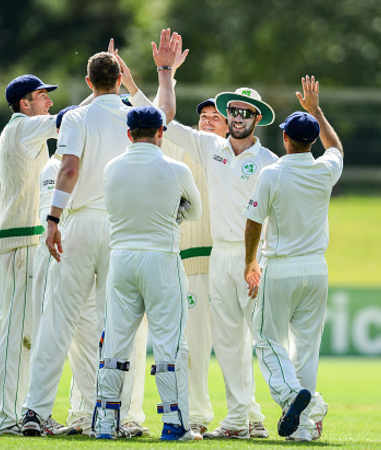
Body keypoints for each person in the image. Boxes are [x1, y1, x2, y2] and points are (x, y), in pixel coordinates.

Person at [20, 29, 181, 437]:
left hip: (79, 222)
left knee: (58, 320)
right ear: (120, 78)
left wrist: (53, 219)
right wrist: (162, 72)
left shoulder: (76, 115)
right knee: (119, 326)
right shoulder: (132, 114)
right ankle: (116, 416)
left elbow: (69, 169)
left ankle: (35, 412)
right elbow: (165, 112)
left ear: (89, 82)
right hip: (121, 229)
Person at [147, 84, 277, 439]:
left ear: (256, 118)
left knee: (266, 339)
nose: (238, 117)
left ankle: (305, 409)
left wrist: (264, 259)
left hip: (254, 258)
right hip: (220, 254)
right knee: (229, 342)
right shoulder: (211, 148)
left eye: (245, 112)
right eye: (233, 111)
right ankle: (238, 420)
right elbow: (163, 120)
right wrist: (160, 76)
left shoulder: (268, 162)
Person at [96, 104, 202, 441]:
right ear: (160, 132)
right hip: (162, 259)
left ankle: (104, 424)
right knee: (170, 343)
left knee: (115, 343)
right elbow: (195, 211)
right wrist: (175, 214)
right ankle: (175, 423)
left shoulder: (112, 168)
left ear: (129, 134)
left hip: (122, 259)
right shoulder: (175, 168)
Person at [243, 75, 341, 442]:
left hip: (280, 266)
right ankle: (303, 429)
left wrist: (249, 262)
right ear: (312, 140)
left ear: (286, 139)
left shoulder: (272, 173)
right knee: (307, 349)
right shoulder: (326, 169)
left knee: (266, 339)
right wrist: (316, 109)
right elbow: (338, 149)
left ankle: (292, 397)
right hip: (317, 268)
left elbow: (253, 224)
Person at [0, 74, 64, 436]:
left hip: (14, 237)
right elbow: (69, 119)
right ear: (24, 103)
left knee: (6, 328)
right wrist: (104, 94)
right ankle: (8, 417)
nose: (48, 101)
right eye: (41, 95)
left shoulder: (18, 131)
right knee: (20, 331)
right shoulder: (24, 127)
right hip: (21, 239)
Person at [161, 98, 226, 438]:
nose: (208, 122)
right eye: (203, 117)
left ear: (229, 125)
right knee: (196, 345)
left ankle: (246, 416)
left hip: (230, 262)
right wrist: (164, 76)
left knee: (238, 344)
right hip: (193, 260)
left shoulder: (232, 157)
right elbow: (160, 115)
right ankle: (198, 414)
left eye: (216, 118)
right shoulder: (181, 149)